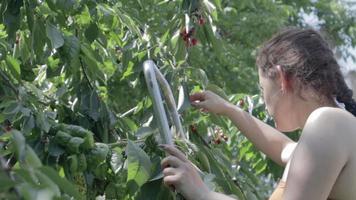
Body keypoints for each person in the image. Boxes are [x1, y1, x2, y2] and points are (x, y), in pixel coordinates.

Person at [159, 28, 356, 200]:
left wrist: (203, 194)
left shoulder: (328, 122)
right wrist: (230, 110)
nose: (263, 99)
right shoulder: (337, 128)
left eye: (262, 88)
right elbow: (283, 149)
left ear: (280, 78)